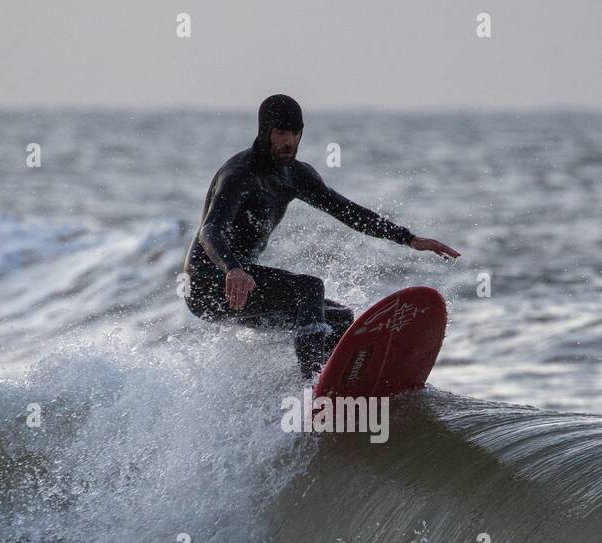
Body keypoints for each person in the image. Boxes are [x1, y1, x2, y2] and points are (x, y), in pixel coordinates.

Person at [183, 94, 460, 377]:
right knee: (309, 289)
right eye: (280, 133)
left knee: (340, 319)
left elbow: (347, 211)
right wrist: (232, 268)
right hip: (209, 286)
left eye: (295, 133)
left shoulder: (295, 175)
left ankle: (332, 385)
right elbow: (210, 230)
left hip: (241, 284)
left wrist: (409, 238)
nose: (289, 141)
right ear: (265, 132)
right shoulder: (239, 174)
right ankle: (311, 384)